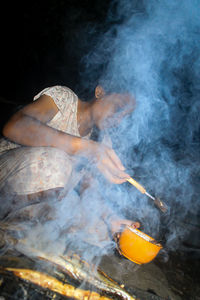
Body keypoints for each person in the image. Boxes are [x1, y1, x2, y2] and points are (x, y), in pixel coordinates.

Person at [0, 85, 140, 247]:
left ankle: (16, 230)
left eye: (125, 116)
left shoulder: (102, 140)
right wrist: (84, 147)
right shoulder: (64, 100)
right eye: (118, 107)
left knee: (100, 231)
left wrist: (111, 218)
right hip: (6, 178)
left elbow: (89, 187)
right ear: (100, 92)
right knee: (57, 164)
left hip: (35, 201)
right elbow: (15, 126)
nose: (118, 119)